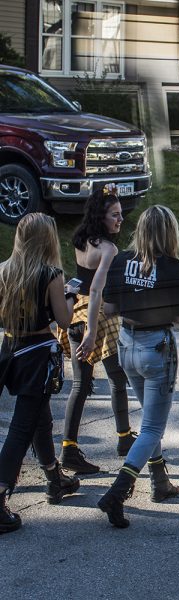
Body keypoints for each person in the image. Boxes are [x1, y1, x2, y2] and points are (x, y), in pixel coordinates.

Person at [97, 205, 179, 528]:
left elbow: (109, 307)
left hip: (126, 344)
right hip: (157, 348)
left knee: (150, 419)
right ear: (170, 233)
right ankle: (118, 491)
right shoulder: (173, 268)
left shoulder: (121, 260)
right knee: (153, 426)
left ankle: (159, 480)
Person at [0, 213, 78, 534]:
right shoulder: (51, 274)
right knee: (21, 427)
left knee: (39, 419)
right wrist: (71, 295)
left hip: (9, 350)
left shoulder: (3, 270)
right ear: (48, 239)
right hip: (37, 354)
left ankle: (53, 476)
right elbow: (64, 320)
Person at [55, 186, 133, 475]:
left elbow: (79, 279)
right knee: (116, 377)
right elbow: (98, 288)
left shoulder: (80, 239)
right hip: (97, 317)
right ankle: (124, 439)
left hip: (75, 310)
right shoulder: (109, 249)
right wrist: (90, 331)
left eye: (121, 214)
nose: (120, 220)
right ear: (101, 217)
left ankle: (68, 448)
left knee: (80, 385)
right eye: (115, 215)